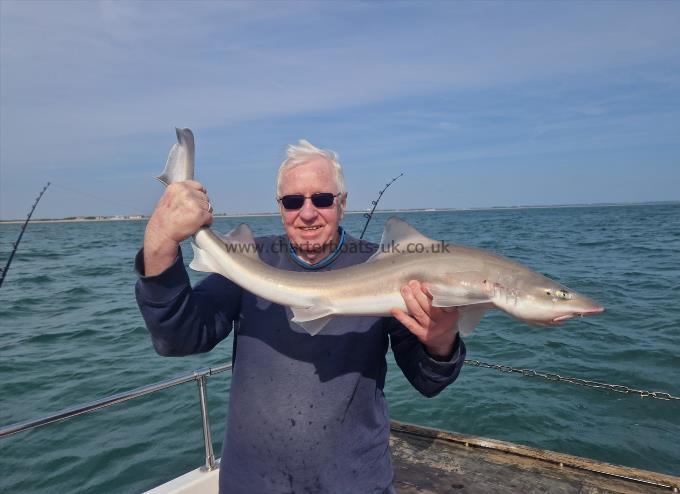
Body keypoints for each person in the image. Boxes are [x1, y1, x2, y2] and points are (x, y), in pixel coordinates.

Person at [135, 139, 467, 493]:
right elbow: (178, 337)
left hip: (354, 482)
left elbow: (428, 382)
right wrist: (160, 241)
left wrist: (441, 343)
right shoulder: (250, 260)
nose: (307, 213)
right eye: (293, 201)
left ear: (343, 203)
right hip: (253, 483)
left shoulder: (384, 268)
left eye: (322, 199)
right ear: (280, 208)